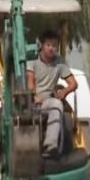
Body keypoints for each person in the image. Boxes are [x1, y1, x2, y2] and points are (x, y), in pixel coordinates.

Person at [26, 29, 78, 158]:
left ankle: (50, 145)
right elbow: (30, 82)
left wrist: (64, 91)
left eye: (54, 46)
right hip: (32, 100)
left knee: (56, 105)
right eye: (48, 45)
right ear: (41, 46)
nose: (51, 48)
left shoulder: (60, 62)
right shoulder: (32, 60)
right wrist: (33, 96)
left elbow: (73, 83)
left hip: (49, 100)